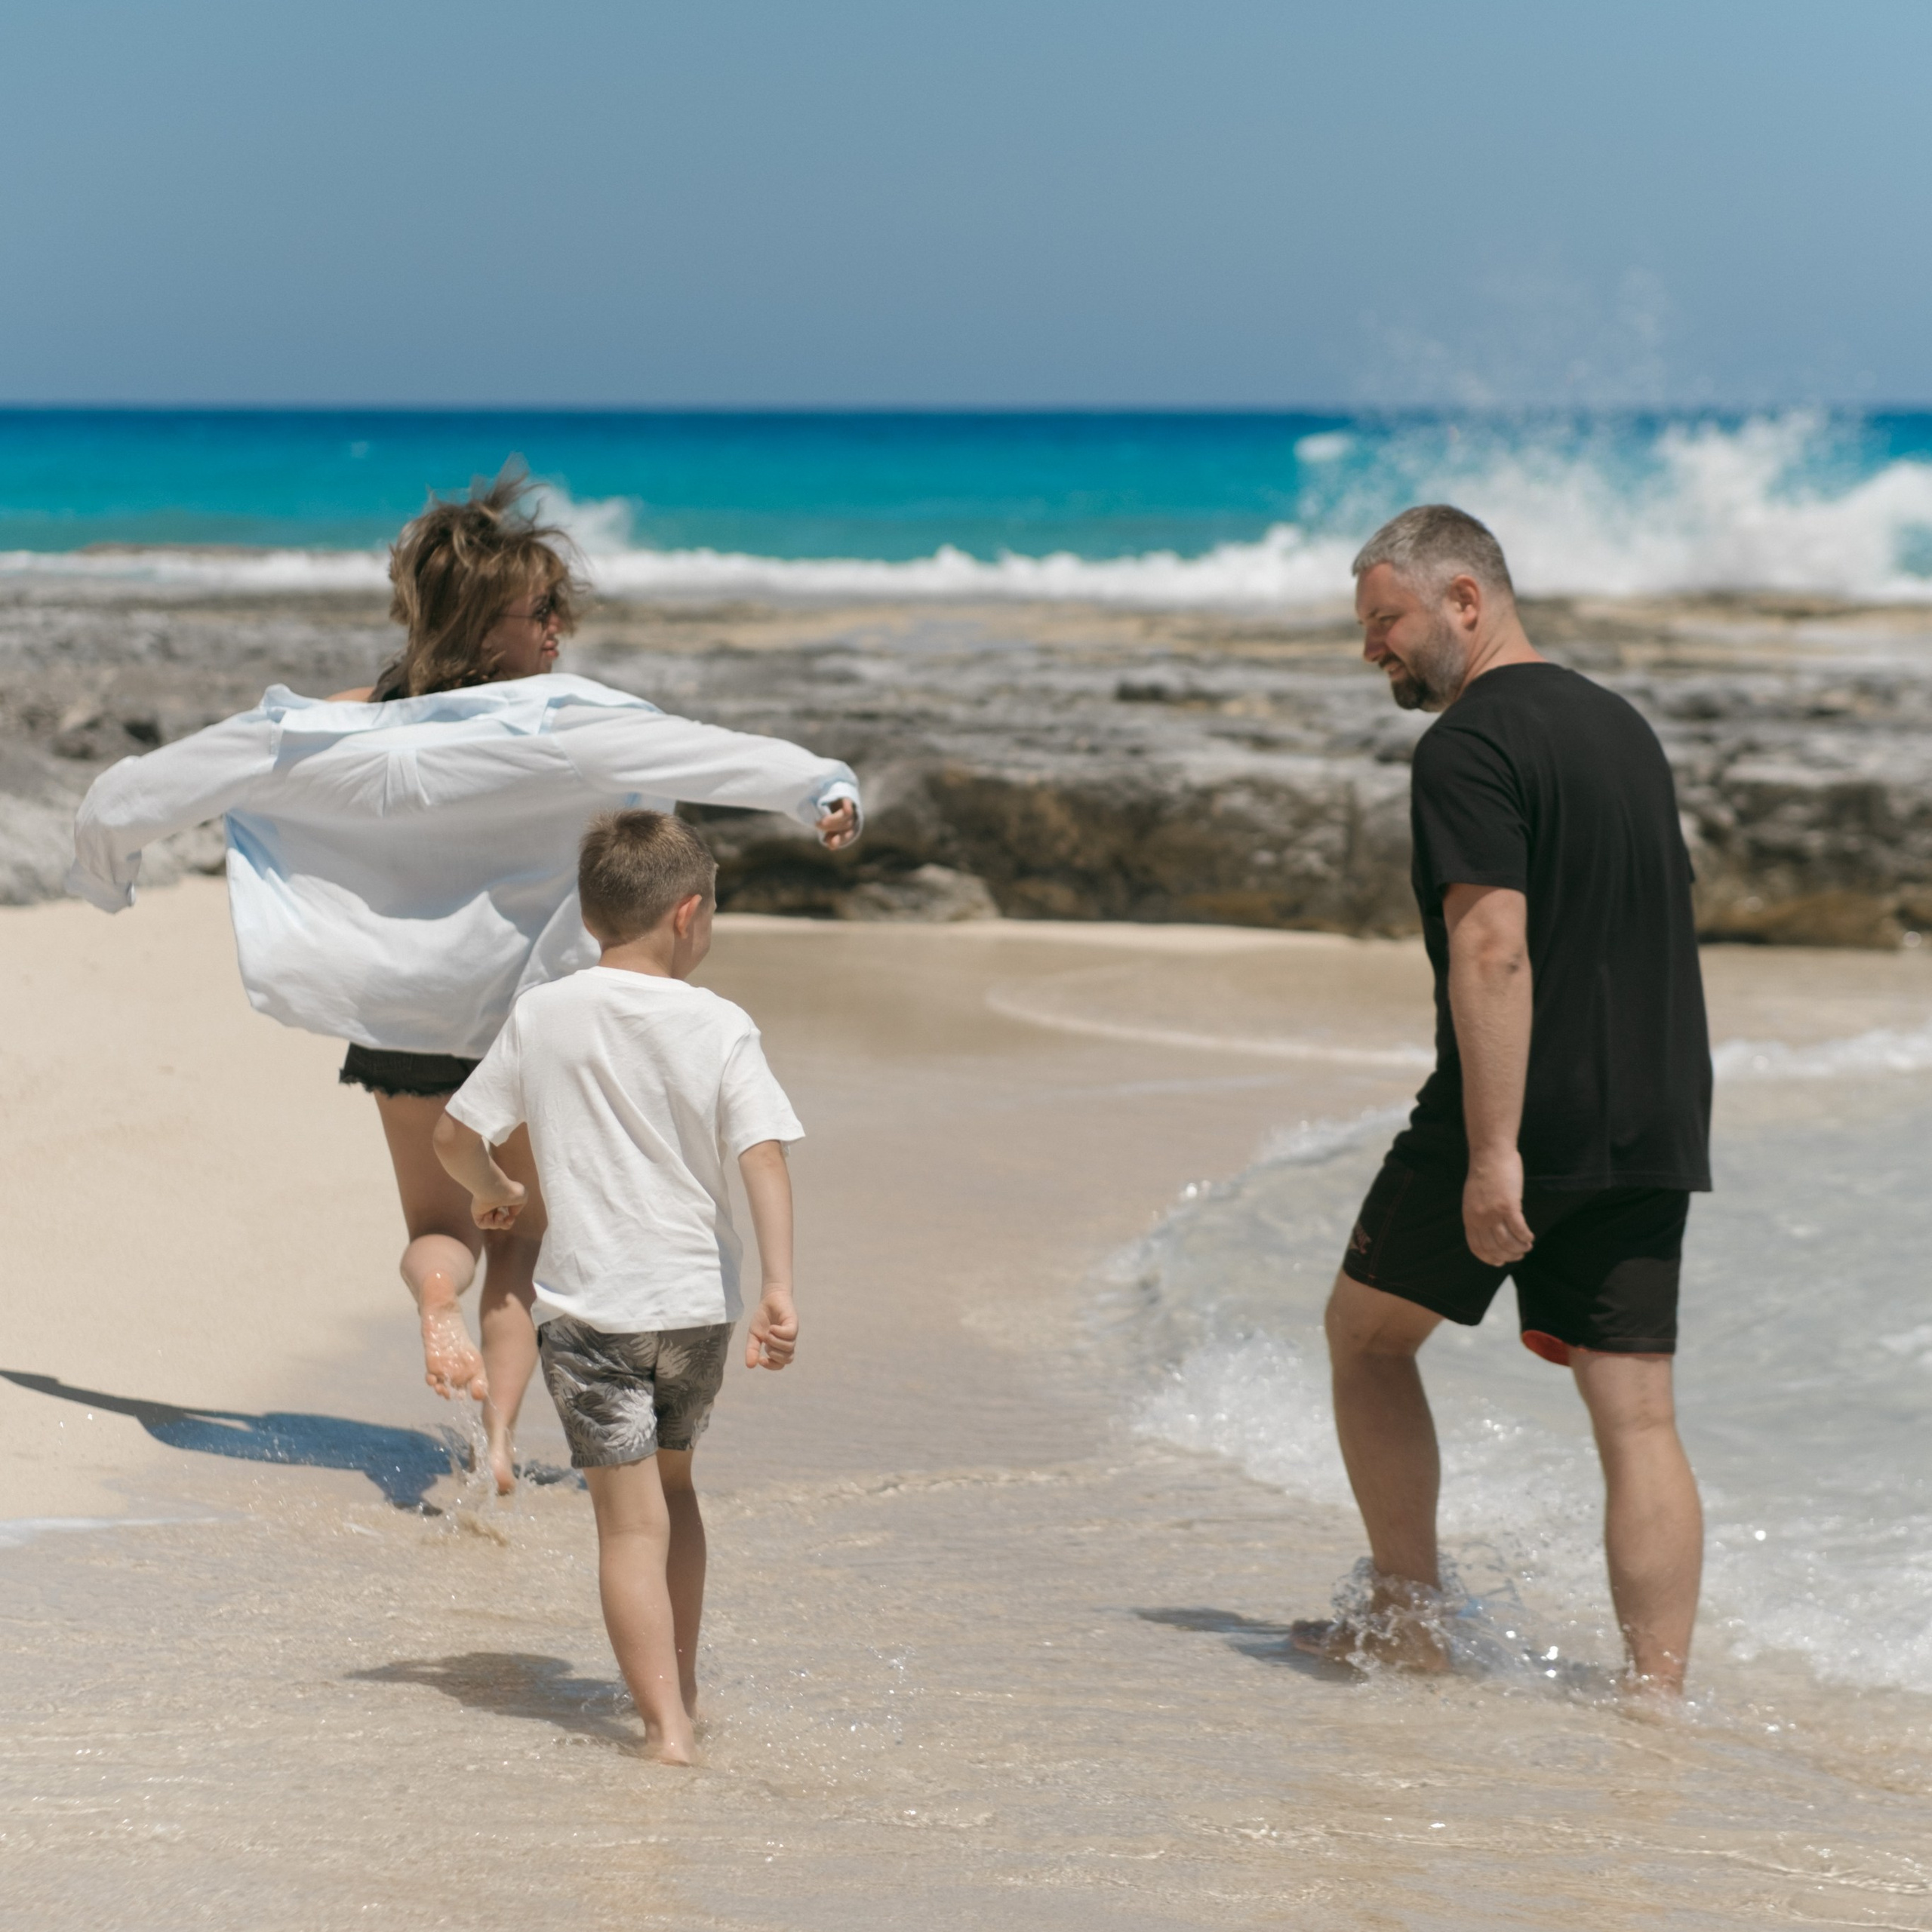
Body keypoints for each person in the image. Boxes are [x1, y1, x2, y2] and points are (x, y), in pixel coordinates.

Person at [66, 469, 857, 1494]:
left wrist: (104, 867)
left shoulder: (336, 725)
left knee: (439, 1231)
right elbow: (706, 754)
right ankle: (494, 1451)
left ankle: (436, 1311)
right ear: (491, 630)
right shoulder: (556, 719)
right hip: (513, 1027)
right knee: (521, 1242)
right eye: (543, 611)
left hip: (397, 1023)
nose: (560, 627)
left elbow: (150, 784)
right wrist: (822, 789)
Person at [1292, 504, 1711, 1696]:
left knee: (1364, 1339)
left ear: (1464, 601)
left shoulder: (1467, 746)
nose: (1373, 647)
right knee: (1636, 1417)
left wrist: (1493, 1156)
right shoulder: (1623, 726)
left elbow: (1494, 953)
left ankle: (1408, 1628)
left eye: (1387, 620)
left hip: (1521, 1110)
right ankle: (1655, 1702)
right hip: (1657, 1111)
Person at [432, 809, 798, 1763]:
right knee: (676, 1496)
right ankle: (687, 1690)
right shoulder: (720, 1022)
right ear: (688, 915)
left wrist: (496, 1190)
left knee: (626, 1526)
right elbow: (760, 1152)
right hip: (698, 1310)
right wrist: (778, 1286)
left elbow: (453, 1136)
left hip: (594, 1313)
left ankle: (665, 1728)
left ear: (593, 917)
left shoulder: (547, 1011)